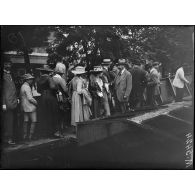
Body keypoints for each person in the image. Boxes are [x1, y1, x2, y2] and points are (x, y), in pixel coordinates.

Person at [36, 66, 59, 138]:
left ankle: (46, 133)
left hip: (43, 97)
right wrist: (56, 88)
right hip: (50, 96)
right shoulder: (49, 78)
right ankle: (54, 132)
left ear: (41, 72)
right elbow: (52, 87)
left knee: (45, 114)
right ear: (48, 72)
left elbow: (38, 91)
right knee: (53, 114)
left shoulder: (39, 79)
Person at [2, 57, 18, 145]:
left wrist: (17, 98)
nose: (8, 65)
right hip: (6, 103)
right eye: (6, 64)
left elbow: (13, 89)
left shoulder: (11, 74)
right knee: (8, 121)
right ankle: (8, 139)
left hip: (13, 101)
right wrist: (3, 103)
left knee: (11, 120)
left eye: (9, 64)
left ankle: (10, 138)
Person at [20, 74, 37, 140]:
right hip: (30, 106)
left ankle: (24, 135)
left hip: (24, 106)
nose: (32, 80)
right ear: (27, 80)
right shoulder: (27, 87)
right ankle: (30, 136)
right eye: (31, 79)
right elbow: (30, 98)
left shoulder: (23, 86)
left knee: (26, 121)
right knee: (34, 121)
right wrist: (36, 103)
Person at [52, 69, 69, 136]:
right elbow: (65, 90)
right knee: (62, 114)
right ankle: (60, 131)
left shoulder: (52, 78)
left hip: (54, 98)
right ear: (61, 74)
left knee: (55, 114)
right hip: (61, 98)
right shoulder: (61, 80)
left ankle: (56, 130)